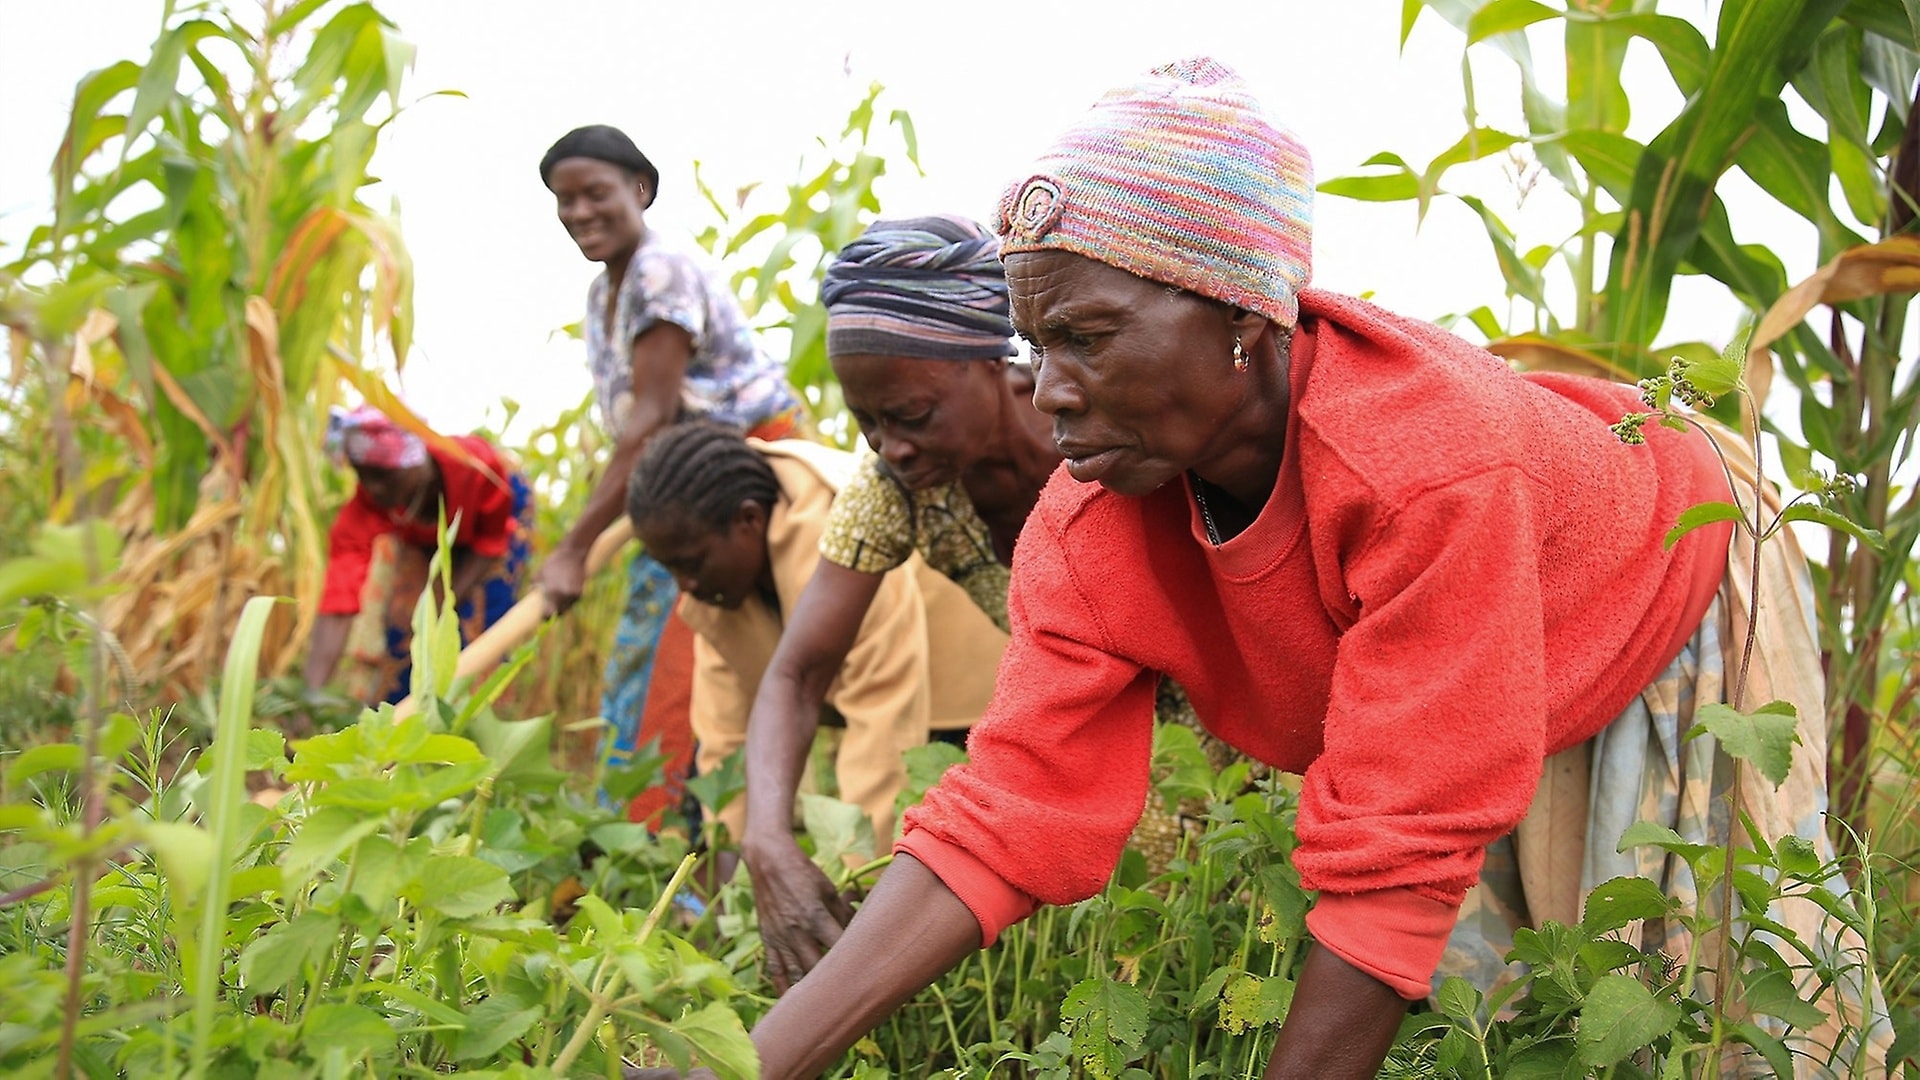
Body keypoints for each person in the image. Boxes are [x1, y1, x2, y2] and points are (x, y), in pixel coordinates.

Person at [669, 58, 1888, 1079]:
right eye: (1036, 344)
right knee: (1484, 1023)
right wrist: (750, 1064)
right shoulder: (1094, 520)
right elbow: (1006, 814)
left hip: (1657, 590)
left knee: (1710, 1007)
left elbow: (1398, 853)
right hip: (1488, 680)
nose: (1050, 392)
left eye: (1088, 336)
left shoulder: (1417, 466)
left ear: (1245, 322)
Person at [534, 125, 804, 825]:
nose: (579, 213)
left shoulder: (660, 270)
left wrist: (572, 546)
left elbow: (652, 414)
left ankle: (667, 835)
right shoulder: (606, 291)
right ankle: (638, 823)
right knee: (650, 647)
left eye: (596, 194)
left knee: (683, 656)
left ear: (641, 190)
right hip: (677, 488)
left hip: (733, 477)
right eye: (565, 201)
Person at [623, 421, 1006, 852]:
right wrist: (733, 863)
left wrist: (861, 877)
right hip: (898, 694)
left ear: (748, 520)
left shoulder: (839, 542)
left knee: (955, 846)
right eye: (671, 569)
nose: (684, 585)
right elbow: (725, 739)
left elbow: (881, 724)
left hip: (958, 680)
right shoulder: (716, 589)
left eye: (691, 564)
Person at [306, 405, 530, 704]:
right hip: (427, 540)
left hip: (496, 526)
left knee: (476, 625)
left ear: (415, 459)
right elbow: (337, 603)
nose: (374, 489)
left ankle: (469, 722)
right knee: (406, 628)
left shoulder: (475, 467)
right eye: (363, 476)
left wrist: (441, 602)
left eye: (384, 476)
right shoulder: (369, 507)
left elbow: (491, 544)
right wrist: (310, 697)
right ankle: (403, 717)